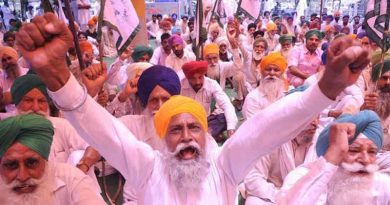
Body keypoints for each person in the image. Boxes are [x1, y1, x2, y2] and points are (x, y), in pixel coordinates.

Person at [16, 13, 370, 205]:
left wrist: (323, 90)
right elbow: (103, 131)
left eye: (194, 128)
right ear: (163, 137)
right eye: (175, 129)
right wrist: (60, 79)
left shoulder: (225, 167)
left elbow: (263, 127)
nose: (186, 137)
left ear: (205, 135)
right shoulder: (147, 168)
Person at [277, 110, 390, 205]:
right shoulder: (300, 177)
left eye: (371, 152)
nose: (365, 160)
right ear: (332, 151)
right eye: (354, 150)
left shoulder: (382, 184)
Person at [9, 74, 101, 183]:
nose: (36, 107)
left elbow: (93, 146)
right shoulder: (7, 132)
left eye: (42, 101)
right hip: (24, 192)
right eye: (28, 100)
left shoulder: (62, 125)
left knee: (78, 155)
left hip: (66, 188)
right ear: (17, 103)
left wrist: (82, 167)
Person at [0, 114, 106, 205]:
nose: (22, 176)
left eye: (31, 163)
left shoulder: (70, 179)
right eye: (11, 165)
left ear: (46, 161)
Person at [244, 118, 319, 205]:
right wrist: (283, 197)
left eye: (317, 116)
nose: (315, 124)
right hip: (272, 193)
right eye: (310, 116)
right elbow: (253, 180)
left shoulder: (320, 140)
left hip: (304, 195)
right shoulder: (270, 138)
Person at [181, 61, 237, 140]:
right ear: (187, 78)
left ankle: (201, 135)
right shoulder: (180, 85)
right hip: (185, 122)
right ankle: (207, 136)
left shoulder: (212, 84)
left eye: (200, 77)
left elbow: (226, 104)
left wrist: (231, 129)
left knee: (224, 117)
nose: (197, 82)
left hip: (206, 121)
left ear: (204, 74)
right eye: (193, 78)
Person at [242, 52, 287, 120]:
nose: (272, 73)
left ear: (282, 74)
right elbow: (253, 126)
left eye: (276, 70)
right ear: (262, 72)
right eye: (268, 69)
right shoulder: (253, 98)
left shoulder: (285, 95)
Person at [0, 46, 28, 113]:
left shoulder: (27, 73)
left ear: (16, 58)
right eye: (4, 60)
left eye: (9, 58)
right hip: (9, 116)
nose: (8, 62)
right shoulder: (1, 78)